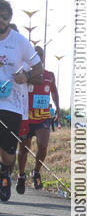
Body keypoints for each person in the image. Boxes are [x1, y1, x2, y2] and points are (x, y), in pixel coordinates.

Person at [0, 0, 43, 201]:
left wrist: (25, 76)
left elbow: (38, 68)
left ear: (10, 19)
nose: (1, 21)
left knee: (9, 156)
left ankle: (5, 172)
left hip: (12, 105)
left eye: (4, 17)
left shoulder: (19, 42)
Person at [16, 46, 59, 193]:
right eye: (35, 55)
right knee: (23, 150)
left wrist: (58, 109)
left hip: (43, 118)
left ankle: (36, 171)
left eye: (41, 55)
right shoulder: (25, 75)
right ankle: (21, 176)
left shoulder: (50, 75)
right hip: (26, 117)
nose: (39, 57)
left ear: (44, 58)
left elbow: (54, 92)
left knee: (43, 145)